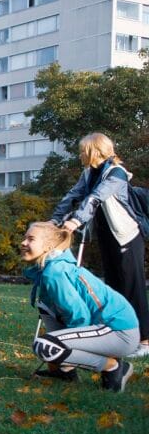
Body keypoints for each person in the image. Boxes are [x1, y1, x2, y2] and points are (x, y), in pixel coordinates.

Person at [50, 133, 149, 358]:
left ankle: (144, 339)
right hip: (106, 235)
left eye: (82, 151)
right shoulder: (89, 173)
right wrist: (53, 221)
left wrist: (76, 220)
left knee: (132, 286)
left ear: (94, 151)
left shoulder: (116, 173)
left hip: (126, 235)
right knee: (113, 286)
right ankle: (119, 334)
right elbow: (72, 196)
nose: (79, 155)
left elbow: (95, 197)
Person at [23, 222, 139, 392]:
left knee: (44, 346)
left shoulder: (55, 272)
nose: (23, 242)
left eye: (30, 239)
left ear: (48, 246)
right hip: (108, 330)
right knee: (45, 305)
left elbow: (80, 316)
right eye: (25, 238)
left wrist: (60, 348)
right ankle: (64, 371)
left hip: (119, 332)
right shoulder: (51, 268)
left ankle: (113, 367)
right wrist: (60, 354)